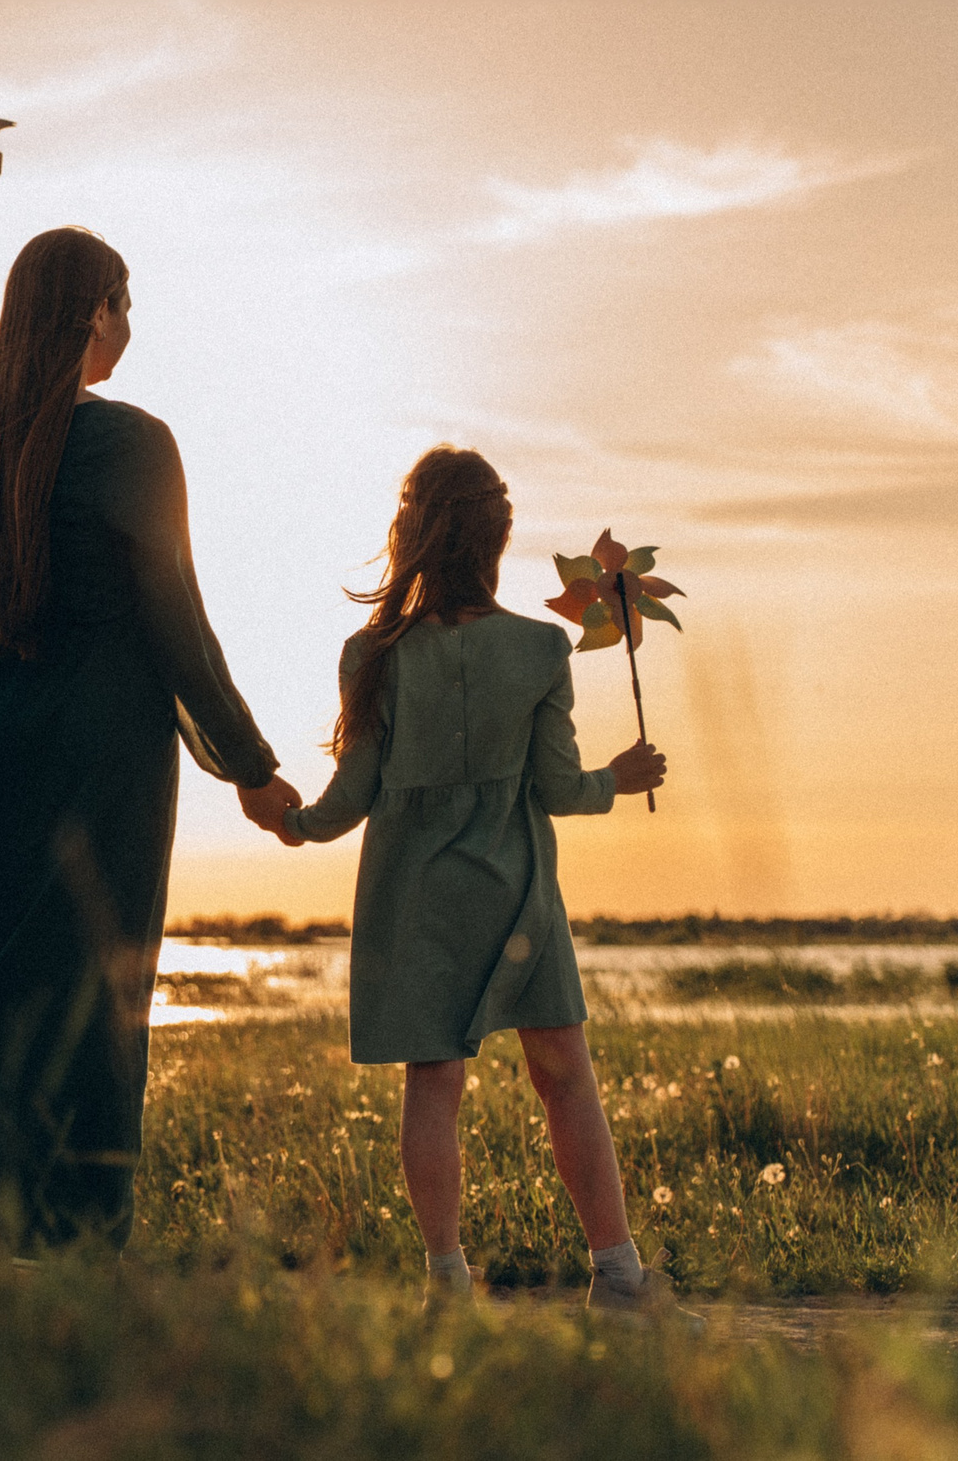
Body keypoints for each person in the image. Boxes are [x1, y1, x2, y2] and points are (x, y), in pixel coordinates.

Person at [0, 226, 302, 1252]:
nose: (129, 328)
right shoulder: (135, 443)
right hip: (97, 738)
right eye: (123, 305)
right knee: (86, 980)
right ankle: (66, 1232)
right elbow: (174, 618)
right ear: (92, 311)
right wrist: (249, 767)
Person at [281, 445, 679, 1315]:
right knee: (565, 1073)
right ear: (498, 539)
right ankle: (617, 1274)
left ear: (410, 535)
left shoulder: (370, 654)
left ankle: (447, 1283)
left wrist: (293, 822)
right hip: (515, 896)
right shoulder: (541, 648)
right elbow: (559, 790)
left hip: (414, 899)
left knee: (435, 1084)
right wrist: (622, 776)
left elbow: (350, 795)